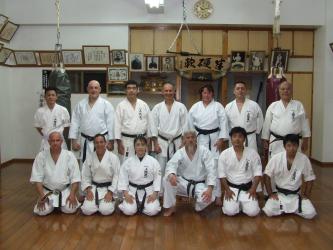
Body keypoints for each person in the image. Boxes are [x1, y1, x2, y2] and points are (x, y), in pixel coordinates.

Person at [188, 84, 229, 205]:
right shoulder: (195, 107)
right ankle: (200, 193)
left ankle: (217, 195)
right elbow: (189, 123)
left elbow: (223, 122)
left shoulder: (218, 106)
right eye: (204, 93)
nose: (206, 95)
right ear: (201, 94)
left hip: (214, 139)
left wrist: (222, 139)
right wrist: (191, 138)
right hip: (199, 139)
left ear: (212, 94)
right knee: (199, 166)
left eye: (209, 93)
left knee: (214, 167)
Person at [262, 134, 317, 219]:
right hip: (280, 194)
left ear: (298, 146)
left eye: (294, 145)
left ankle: (287, 209)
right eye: (289, 145)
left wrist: (306, 195)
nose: (292, 148)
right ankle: (292, 209)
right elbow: (266, 176)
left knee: (311, 213)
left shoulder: (304, 159)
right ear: (284, 146)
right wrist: (270, 194)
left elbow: (310, 179)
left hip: (296, 195)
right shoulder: (276, 158)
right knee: (268, 211)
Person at [163, 130, 216, 216]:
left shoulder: (204, 151)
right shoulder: (180, 152)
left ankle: (198, 205)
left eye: (193, 137)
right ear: (184, 140)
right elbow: (171, 164)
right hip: (184, 183)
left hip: (199, 185)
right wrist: (172, 174)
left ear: (196, 139)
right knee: (167, 179)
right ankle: (172, 207)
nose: (190, 140)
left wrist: (210, 188)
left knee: (210, 198)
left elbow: (211, 170)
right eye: (188, 138)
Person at [30, 131, 81, 216]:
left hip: (64, 191)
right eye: (52, 140)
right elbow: (37, 179)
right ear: (49, 142)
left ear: (61, 141)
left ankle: (58, 205)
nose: (55, 143)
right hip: (48, 192)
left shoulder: (69, 155)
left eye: (57, 140)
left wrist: (72, 194)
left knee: (70, 209)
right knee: (42, 212)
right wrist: (42, 196)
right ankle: (54, 205)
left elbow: (75, 178)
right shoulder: (41, 156)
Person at [218, 127, 262, 217]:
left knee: (253, 212)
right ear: (231, 138)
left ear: (244, 139)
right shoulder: (224, 154)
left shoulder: (253, 153)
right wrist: (227, 190)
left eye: (240, 136)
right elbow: (221, 175)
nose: (237, 139)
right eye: (234, 136)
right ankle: (239, 204)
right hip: (231, 189)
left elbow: (258, 174)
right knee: (230, 212)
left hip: (248, 188)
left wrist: (253, 189)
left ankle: (242, 204)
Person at [150, 83, 188, 188]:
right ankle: (160, 191)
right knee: (160, 168)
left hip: (177, 141)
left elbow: (185, 126)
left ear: (174, 92)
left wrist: (183, 143)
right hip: (162, 142)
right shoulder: (157, 108)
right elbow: (153, 127)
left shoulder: (181, 107)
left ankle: (179, 191)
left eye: (170, 91)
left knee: (179, 167)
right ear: (162, 92)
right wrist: (155, 144)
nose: (168, 93)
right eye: (166, 91)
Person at [262, 79, 311, 159]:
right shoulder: (273, 106)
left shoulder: (298, 105)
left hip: (293, 142)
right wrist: (265, 139)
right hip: (277, 141)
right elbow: (267, 124)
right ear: (279, 91)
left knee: (294, 163)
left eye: (288, 89)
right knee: (275, 163)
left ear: (291, 91)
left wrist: (306, 140)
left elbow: (304, 123)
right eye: (283, 89)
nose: (285, 91)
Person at [69, 80, 115, 164]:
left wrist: (111, 142)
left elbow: (111, 124)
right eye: (91, 88)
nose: (93, 90)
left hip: (101, 141)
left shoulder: (106, 104)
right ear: (87, 89)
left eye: (96, 88)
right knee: (85, 166)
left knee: (103, 165)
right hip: (85, 141)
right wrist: (74, 141)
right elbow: (74, 123)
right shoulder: (80, 105)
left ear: (100, 89)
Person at [118, 136, 161, 216]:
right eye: (138, 145)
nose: (140, 147)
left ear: (146, 147)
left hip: (149, 192)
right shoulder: (128, 162)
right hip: (132, 192)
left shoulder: (153, 161)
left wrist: (155, 193)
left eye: (142, 144)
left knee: (153, 211)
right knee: (128, 211)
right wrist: (126, 193)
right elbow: (123, 178)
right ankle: (138, 206)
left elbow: (157, 178)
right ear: (134, 147)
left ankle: (140, 207)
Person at [81, 134, 120, 216]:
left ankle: (104, 204)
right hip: (94, 188)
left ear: (105, 143)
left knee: (106, 211)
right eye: (97, 142)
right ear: (94, 144)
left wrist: (110, 192)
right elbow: (85, 175)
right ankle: (98, 203)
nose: (99, 144)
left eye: (101, 142)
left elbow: (116, 176)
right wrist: (88, 190)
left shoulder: (113, 157)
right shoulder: (90, 157)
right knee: (86, 210)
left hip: (108, 188)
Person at [115, 80, 152, 162]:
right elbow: (117, 126)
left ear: (137, 90)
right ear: (125, 90)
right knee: (126, 164)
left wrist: (148, 142)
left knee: (143, 164)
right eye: (129, 88)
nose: (131, 90)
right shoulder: (121, 106)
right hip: (126, 141)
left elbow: (149, 124)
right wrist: (119, 144)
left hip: (142, 141)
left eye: (134, 88)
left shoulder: (144, 105)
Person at [225, 81, 264, 151]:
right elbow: (225, 123)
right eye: (238, 88)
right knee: (234, 158)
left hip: (249, 137)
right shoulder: (228, 107)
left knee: (251, 158)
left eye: (242, 88)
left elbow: (260, 119)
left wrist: (256, 131)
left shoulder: (254, 105)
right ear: (234, 91)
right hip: (234, 139)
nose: (240, 90)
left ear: (246, 91)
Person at [34, 87, 70, 151]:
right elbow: (38, 126)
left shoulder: (63, 110)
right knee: (45, 160)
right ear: (45, 97)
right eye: (48, 95)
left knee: (62, 160)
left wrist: (57, 136)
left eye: (53, 95)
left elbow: (66, 126)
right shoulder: (39, 111)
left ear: (56, 97)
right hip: (47, 141)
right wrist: (46, 135)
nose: (51, 97)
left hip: (60, 141)